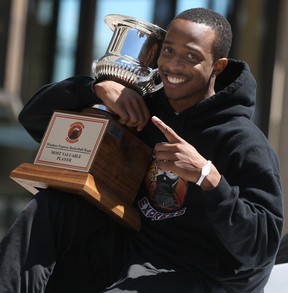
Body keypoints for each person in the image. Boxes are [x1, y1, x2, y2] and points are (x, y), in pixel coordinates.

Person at [0, 7, 284, 293]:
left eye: (192, 56)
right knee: (54, 204)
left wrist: (208, 177)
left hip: (200, 276)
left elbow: (261, 248)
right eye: (169, 51)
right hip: (131, 250)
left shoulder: (243, 142)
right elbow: (34, 120)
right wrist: (96, 89)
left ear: (217, 66)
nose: (173, 65)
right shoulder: (144, 107)